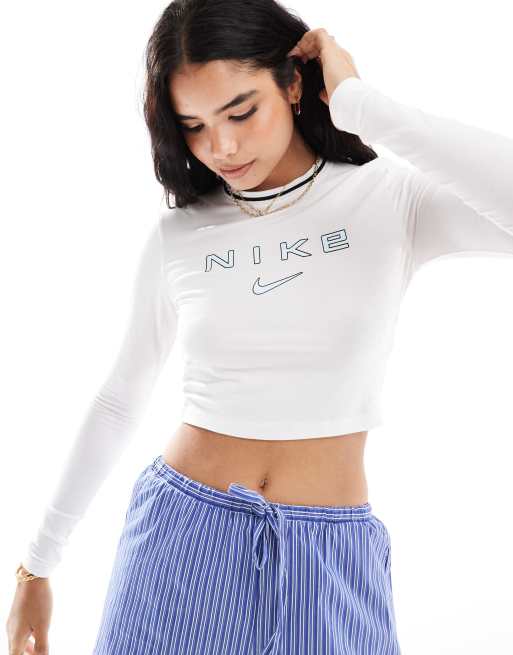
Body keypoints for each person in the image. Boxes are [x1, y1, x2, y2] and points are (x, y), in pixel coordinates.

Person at [7, 0, 513, 653]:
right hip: (179, 544)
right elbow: (118, 400)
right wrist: (37, 563)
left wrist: (362, 106)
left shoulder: (392, 199)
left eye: (241, 112)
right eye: (194, 126)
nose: (221, 147)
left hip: (331, 557)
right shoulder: (180, 235)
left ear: (294, 83)